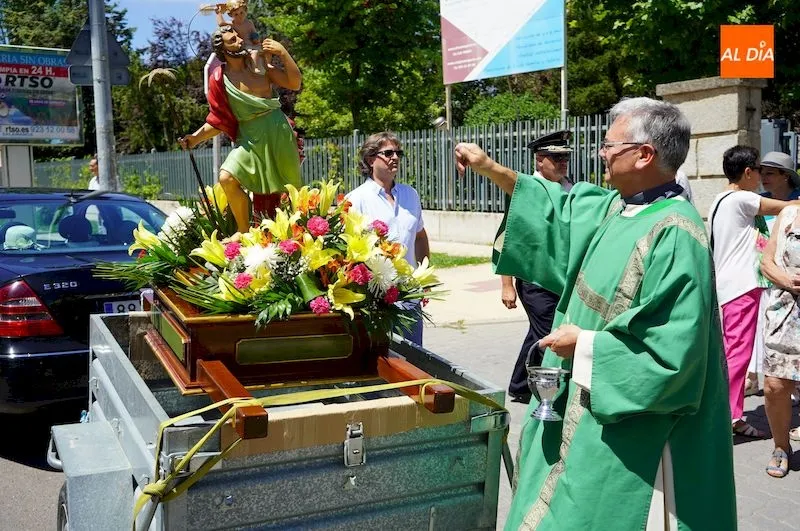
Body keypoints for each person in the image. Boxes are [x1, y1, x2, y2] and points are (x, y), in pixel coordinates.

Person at [455, 97, 736, 530]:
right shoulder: (616, 209)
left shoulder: (676, 234)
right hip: (584, 405)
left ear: (645, 155)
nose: (600, 154)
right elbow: (557, 211)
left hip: (635, 431)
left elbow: (672, 356)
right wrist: (489, 167)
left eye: (610, 147)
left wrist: (584, 345)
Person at [708, 146, 800, 438]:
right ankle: (730, 417)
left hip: (728, 287)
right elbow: (787, 207)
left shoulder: (719, 199)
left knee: (732, 352)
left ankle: (727, 414)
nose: (762, 178)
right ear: (748, 172)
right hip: (741, 287)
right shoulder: (741, 198)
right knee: (737, 355)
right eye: (760, 171)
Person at [179, 25, 302, 233]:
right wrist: (195, 138)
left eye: (237, 35)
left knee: (287, 190)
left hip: (277, 130)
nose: (239, 38)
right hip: (249, 136)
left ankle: (290, 236)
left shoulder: (258, 64)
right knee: (227, 178)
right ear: (224, 50)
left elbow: (294, 82)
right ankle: (244, 231)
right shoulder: (219, 78)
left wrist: (282, 52)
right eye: (232, 39)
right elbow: (218, 119)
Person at [500, 130, 573, 403]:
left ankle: (520, 387)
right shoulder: (527, 191)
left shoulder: (571, 188)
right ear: (539, 160)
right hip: (535, 280)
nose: (563, 162)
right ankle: (550, 392)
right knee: (549, 334)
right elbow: (509, 240)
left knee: (539, 331)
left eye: (565, 157)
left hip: (562, 277)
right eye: (556, 158)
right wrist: (507, 285)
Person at [347, 132, 429, 346]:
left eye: (398, 153)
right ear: (371, 159)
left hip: (409, 300)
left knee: (413, 364)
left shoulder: (410, 195)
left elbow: (420, 236)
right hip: (375, 302)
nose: (395, 157)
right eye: (388, 153)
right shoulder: (356, 200)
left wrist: (424, 275)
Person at [747, 151, 800, 399]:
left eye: (770, 173)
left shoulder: (797, 203)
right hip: (765, 278)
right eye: (762, 172)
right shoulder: (759, 201)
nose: (763, 178)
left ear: (786, 177)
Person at [760, 201, 800, 478]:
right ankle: (781, 446)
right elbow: (766, 262)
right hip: (786, 311)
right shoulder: (789, 213)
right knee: (775, 385)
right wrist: (786, 280)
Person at [215, 0, 268, 72]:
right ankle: (254, 67)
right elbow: (221, 23)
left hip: (253, 43)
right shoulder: (233, 24)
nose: (240, 16)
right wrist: (218, 13)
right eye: (236, 14)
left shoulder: (249, 23)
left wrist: (256, 39)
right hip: (243, 45)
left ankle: (268, 64)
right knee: (254, 52)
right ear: (231, 15)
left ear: (245, 11)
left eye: (241, 12)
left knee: (267, 48)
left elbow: (254, 33)